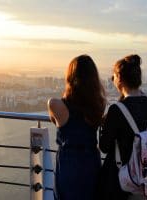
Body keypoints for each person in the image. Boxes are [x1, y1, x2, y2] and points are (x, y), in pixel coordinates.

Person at [98, 54, 147, 200]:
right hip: (145, 178)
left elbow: (104, 147)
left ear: (119, 78)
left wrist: (104, 125)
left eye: (113, 77)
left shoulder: (116, 109)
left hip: (120, 181)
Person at [47, 54, 106, 200]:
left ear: (70, 77)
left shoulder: (56, 104)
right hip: (91, 161)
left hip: (69, 163)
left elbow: (54, 120)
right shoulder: (99, 104)